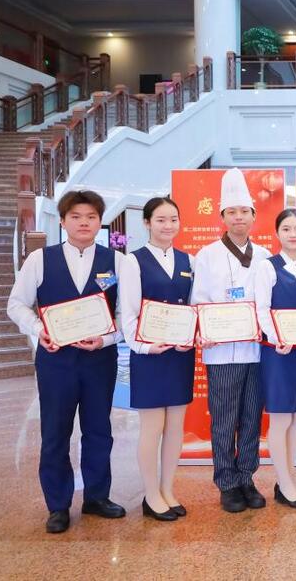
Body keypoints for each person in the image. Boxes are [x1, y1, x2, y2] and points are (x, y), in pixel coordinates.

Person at [7, 190, 126, 534]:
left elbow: (124, 312)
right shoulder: (40, 259)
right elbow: (16, 304)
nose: (83, 223)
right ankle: (57, 504)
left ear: (100, 222)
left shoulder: (117, 261)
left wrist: (106, 339)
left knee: (99, 430)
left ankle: (97, 497)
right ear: (62, 221)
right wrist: (39, 330)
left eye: (91, 217)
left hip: (99, 359)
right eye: (76, 216)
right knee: (55, 431)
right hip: (56, 360)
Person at [191, 168, 271, 513]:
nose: (239, 217)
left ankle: (247, 477)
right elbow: (198, 301)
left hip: (256, 352)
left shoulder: (266, 257)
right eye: (232, 212)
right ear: (222, 216)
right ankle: (226, 483)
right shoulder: (207, 255)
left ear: (254, 216)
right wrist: (206, 329)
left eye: (244, 212)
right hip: (221, 352)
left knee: (252, 416)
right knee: (223, 418)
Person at [118, 196, 195, 522]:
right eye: (161, 220)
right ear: (147, 223)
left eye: (173, 219)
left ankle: (167, 489)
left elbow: (193, 308)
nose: (168, 225)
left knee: (176, 427)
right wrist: (145, 347)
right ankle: (151, 494)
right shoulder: (133, 262)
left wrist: (190, 337)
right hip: (149, 356)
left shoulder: (188, 260)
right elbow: (129, 314)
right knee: (152, 427)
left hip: (179, 355)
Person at [253, 208, 296, 509]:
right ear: (277, 233)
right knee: (281, 418)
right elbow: (261, 308)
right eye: (286, 229)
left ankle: (288, 480)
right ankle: (284, 483)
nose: (292, 234)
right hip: (278, 353)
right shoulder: (267, 267)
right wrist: (276, 337)